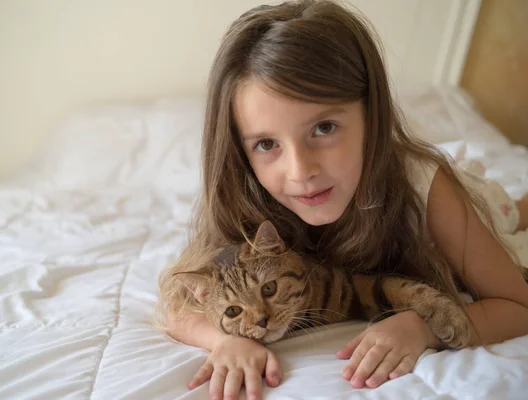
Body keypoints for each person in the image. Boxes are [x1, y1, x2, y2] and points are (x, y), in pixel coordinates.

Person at [156, 1, 528, 399]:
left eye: (324, 127)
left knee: (509, 214)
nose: (300, 172)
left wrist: (423, 326)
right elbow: (177, 308)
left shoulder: (426, 189)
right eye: (266, 143)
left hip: (478, 208)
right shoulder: (246, 198)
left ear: (373, 115)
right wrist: (226, 340)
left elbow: (517, 305)